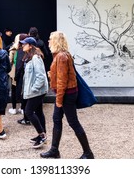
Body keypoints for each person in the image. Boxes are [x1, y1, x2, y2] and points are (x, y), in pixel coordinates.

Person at [41, 31, 94, 159]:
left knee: (73, 122)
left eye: (50, 39)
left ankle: (88, 153)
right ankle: (54, 150)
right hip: (65, 93)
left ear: (56, 41)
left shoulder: (61, 56)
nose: (48, 41)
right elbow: (61, 76)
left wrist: (59, 100)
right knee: (56, 119)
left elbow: (62, 81)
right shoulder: (61, 55)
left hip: (66, 95)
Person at [20, 37, 49, 148]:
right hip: (36, 90)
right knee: (38, 111)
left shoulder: (36, 58)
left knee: (28, 111)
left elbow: (41, 76)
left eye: (25, 44)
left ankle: (42, 135)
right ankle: (42, 135)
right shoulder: (30, 57)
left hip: (37, 91)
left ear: (30, 45)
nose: (22, 45)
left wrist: (33, 89)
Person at [15, 33, 31, 125]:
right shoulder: (32, 51)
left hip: (23, 78)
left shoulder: (21, 51)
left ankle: (27, 118)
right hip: (26, 78)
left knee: (24, 98)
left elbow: (19, 66)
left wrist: (16, 77)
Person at [8, 34, 22, 115]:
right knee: (23, 90)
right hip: (22, 72)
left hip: (14, 72)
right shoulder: (24, 48)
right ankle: (22, 107)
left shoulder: (13, 48)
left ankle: (14, 108)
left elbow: (10, 61)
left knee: (13, 90)